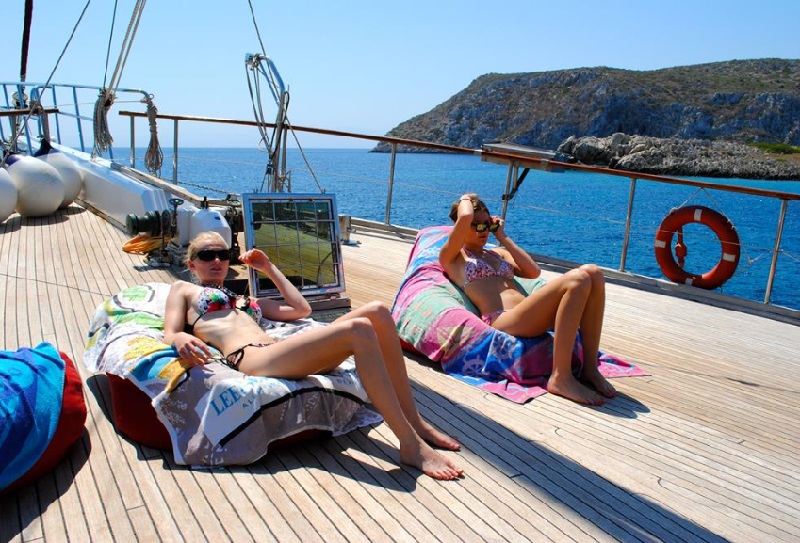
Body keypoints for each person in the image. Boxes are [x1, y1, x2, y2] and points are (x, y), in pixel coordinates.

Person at [164, 232, 463, 480]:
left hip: (281, 353)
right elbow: (170, 332)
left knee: (378, 311)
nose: (217, 260)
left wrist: (269, 268)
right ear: (192, 263)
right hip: (252, 359)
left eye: (223, 254)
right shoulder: (185, 290)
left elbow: (301, 309)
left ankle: (416, 422)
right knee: (359, 329)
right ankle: (409, 444)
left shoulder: (245, 299)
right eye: (207, 255)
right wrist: (180, 338)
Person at [439, 193, 617, 406]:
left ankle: (590, 368)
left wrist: (502, 236)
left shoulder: (498, 254)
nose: (483, 230)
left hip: (529, 314)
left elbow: (533, 271)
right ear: (460, 226)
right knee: (578, 278)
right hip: (504, 319)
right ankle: (560, 377)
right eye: (475, 225)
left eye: (487, 224)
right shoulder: (453, 257)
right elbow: (465, 216)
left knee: (593, 272)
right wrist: (467, 197)